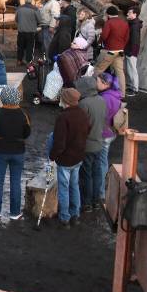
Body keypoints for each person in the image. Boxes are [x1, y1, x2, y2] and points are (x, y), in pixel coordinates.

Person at [0, 87, 31, 219]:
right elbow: (27, 133)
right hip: (18, 151)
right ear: (18, 98)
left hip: (0, 151)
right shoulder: (24, 114)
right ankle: (15, 212)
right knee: (16, 182)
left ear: (3, 98)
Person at [51, 88, 89, 228]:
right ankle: (75, 215)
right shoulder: (83, 114)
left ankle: (64, 217)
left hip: (66, 159)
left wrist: (52, 156)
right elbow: (88, 131)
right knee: (75, 186)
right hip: (78, 157)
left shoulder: (63, 117)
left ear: (65, 100)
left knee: (64, 188)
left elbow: (59, 142)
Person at [77, 74, 108, 212]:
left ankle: (87, 203)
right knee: (97, 173)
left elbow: (80, 126)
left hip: (87, 145)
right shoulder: (101, 100)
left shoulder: (84, 104)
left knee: (86, 175)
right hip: (99, 143)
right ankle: (97, 201)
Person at [95, 7, 129, 98]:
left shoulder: (109, 23)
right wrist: (121, 47)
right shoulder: (125, 23)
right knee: (120, 72)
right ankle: (122, 94)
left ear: (108, 14)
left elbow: (104, 36)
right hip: (120, 51)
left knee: (98, 69)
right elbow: (126, 38)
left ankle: (92, 90)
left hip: (109, 50)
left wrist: (99, 41)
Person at [15, 0, 42, 65]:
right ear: (31, 1)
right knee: (30, 47)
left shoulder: (19, 8)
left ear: (25, 0)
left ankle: (19, 60)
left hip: (21, 31)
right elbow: (39, 20)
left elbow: (16, 19)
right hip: (31, 31)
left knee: (20, 46)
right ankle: (28, 61)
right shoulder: (35, 9)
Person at [125, 7, 142, 97]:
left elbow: (135, 40)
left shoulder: (135, 25)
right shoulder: (133, 23)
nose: (127, 14)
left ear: (135, 14)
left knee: (132, 69)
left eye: (130, 12)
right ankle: (132, 86)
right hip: (130, 49)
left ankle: (135, 89)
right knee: (130, 69)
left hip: (131, 50)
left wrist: (132, 52)